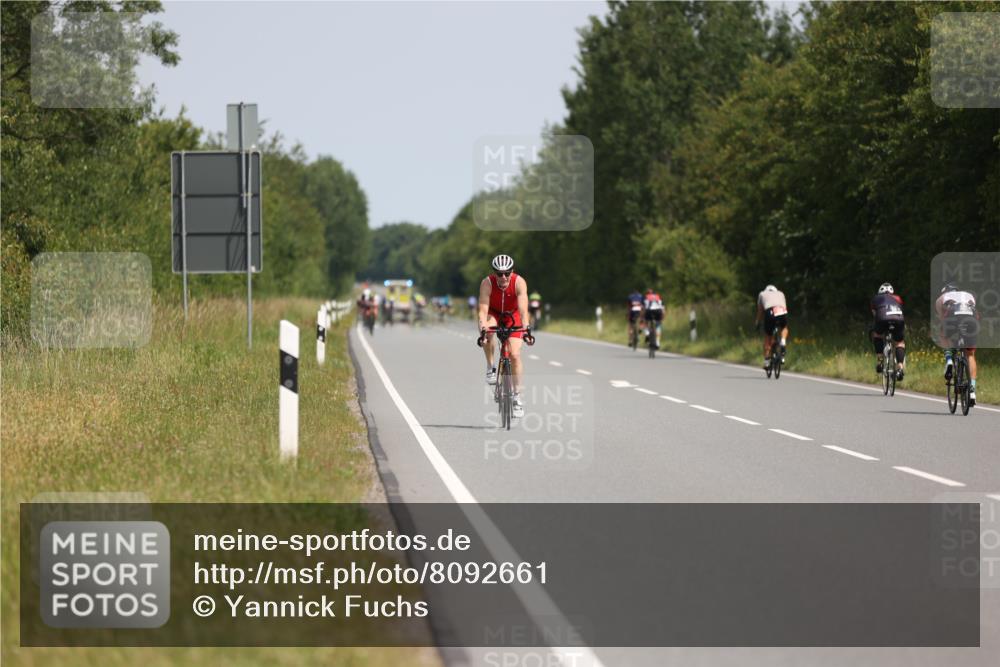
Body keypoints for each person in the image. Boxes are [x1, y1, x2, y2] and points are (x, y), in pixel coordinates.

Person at [477, 254, 531, 418]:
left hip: (512, 316)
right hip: (493, 313)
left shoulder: (519, 282)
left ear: (512, 271)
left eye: (507, 273)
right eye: (499, 273)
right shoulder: (487, 283)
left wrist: (527, 328)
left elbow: (523, 310)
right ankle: (490, 366)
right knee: (487, 331)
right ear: (494, 273)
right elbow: (483, 310)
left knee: (515, 354)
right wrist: (482, 328)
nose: (503, 277)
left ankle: (517, 397)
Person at [936, 283, 978, 406]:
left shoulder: (941, 299)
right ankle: (972, 390)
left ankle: (949, 360)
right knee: (970, 354)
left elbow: (942, 320)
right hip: (971, 318)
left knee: (943, 335)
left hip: (952, 315)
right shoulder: (968, 295)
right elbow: (975, 311)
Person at [870, 283, 906, 381]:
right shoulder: (898, 298)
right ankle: (900, 368)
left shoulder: (876, 298)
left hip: (882, 318)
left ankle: (880, 361)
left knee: (877, 335)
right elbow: (901, 310)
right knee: (899, 343)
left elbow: (875, 314)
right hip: (898, 318)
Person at [755, 284, 788, 370]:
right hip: (781, 310)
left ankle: (766, 362)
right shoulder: (781, 293)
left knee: (768, 338)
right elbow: (784, 306)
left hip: (770, 312)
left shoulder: (762, 294)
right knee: (784, 327)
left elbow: (760, 310)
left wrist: (758, 322)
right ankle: (783, 341)